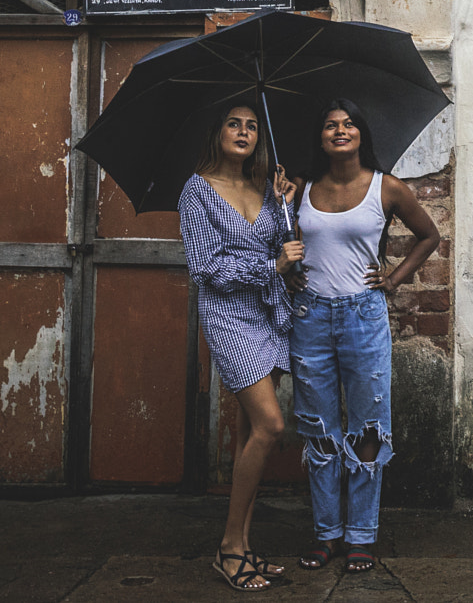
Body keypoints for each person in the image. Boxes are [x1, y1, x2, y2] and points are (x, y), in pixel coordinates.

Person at [291, 98, 442, 574]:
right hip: (310, 316)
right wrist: (287, 269)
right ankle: (326, 534)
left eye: (349, 124)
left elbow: (429, 237)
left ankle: (360, 535)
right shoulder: (298, 188)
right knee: (319, 430)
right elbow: (280, 240)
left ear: (361, 135)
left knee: (368, 429)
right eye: (331, 124)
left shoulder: (387, 188)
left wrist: (394, 280)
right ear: (320, 138)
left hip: (363, 316)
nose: (340, 130)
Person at [178, 105, 304, 592]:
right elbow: (206, 267)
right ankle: (230, 546)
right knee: (272, 424)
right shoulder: (197, 190)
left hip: (270, 316)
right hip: (229, 317)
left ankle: (246, 547)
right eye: (235, 123)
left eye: (252, 126)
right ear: (218, 131)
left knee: (251, 430)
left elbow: (285, 247)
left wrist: (285, 205)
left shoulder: (262, 190)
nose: (244, 132)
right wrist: (271, 267)